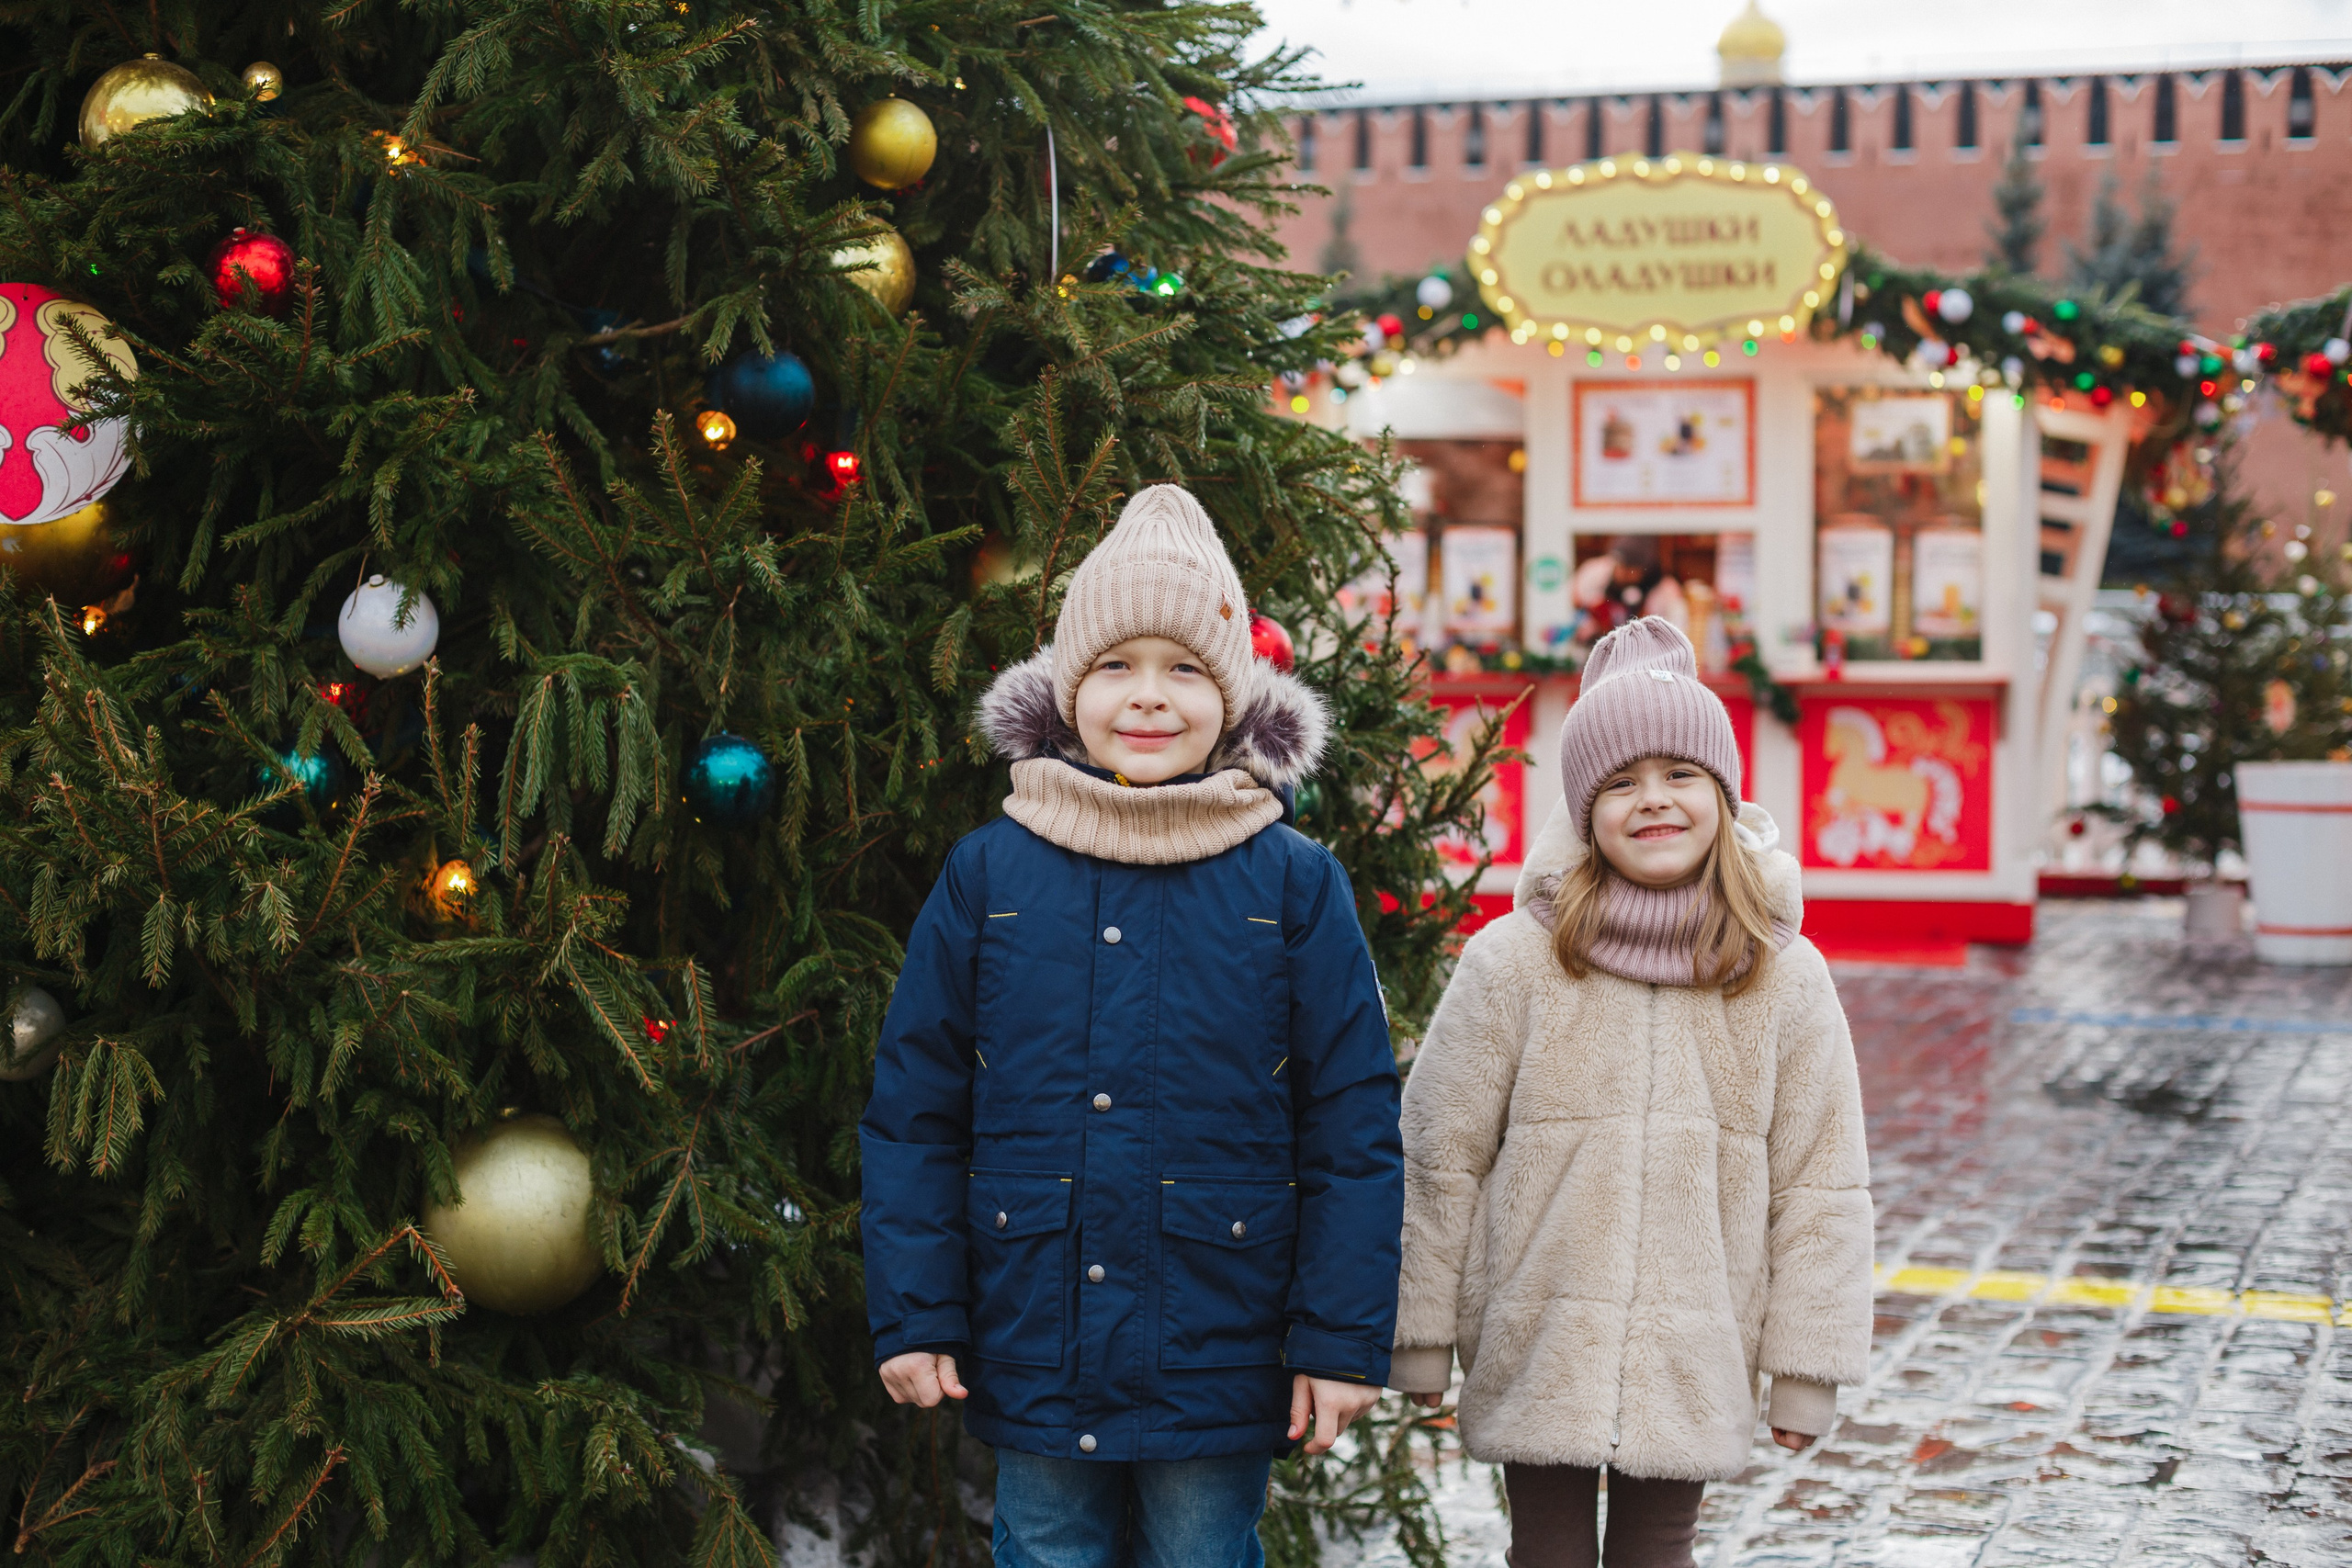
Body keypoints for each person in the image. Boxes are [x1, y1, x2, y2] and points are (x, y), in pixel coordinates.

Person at [860, 485, 1405, 1568]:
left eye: (1185, 669)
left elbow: (1350, 1128)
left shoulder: (1292, 884)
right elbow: (916, 1112)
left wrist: (1337, 1344)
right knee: (1046, 1549)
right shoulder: (991, 872)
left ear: (1234, 695)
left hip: (1221, 1338)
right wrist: (919, 1315)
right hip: (1035, 1330)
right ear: (1067, 694)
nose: (1148, 699)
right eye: (1115, 666)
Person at [1386, 617, 1872, 1568]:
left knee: (1658, 1549)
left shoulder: (1783, 975)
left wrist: (1807, 1369)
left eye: (1680, 774)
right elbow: (1439, 1151)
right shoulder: (1512, 963)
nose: (1653, 801)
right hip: (1538, 1330)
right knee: (1548, 1552)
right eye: (1620, 782)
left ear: (1723, 797)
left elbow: (1820, 1180)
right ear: (1582, 808)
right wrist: (1419, 1332)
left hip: (1695, 1342)